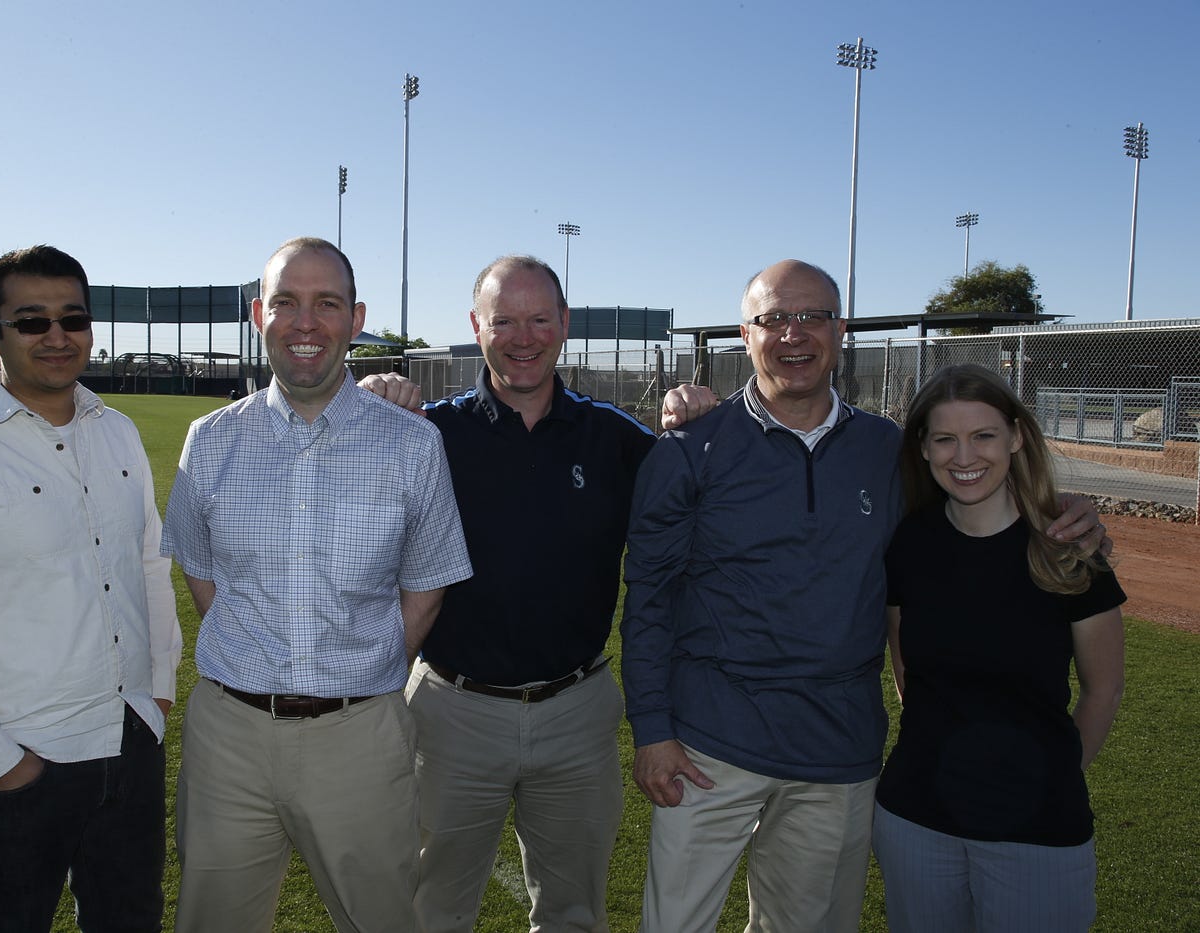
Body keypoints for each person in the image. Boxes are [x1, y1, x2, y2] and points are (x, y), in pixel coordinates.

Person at [623, 259, 1104, 933]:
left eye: (812, 316)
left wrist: (1068, 510)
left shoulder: (888, 451)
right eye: (774, 319)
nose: (794, 334)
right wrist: (653, 729)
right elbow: (648, 596)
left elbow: (978, 495)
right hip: (708, 749)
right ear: (745, 334)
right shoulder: (689, 449)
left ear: (840, 329)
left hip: (837, 754)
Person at [161, 236, 472, 933]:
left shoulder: (413, 442)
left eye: (326, 303)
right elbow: (201, 573)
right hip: (229, 738)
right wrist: (257, 658)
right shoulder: (209, 439)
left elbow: (425, 588)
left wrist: (356, 672)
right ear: (258, 314)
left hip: (359, 734)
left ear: (355, 318)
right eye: (287, 302)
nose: (307, 322)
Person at [0, 245, 183, 933]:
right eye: (31, 321)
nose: (57, 335)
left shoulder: (118, 432)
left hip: (128, 741)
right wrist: (0, 763)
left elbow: (146, 563)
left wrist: (158, 686)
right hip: (21, 760)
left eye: (72, 318)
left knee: (130, 921)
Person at [363, 254, 655, 932]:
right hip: (452, 712)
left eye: (539, 319)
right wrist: (367, 396)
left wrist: (696, 415)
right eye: (504, 321)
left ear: (564, 325)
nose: (523, 337)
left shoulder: (613, 437)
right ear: (476, 326)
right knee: (431, 909)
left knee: (574, 912)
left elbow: (707, 482)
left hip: (577, 712)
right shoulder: (427, 432)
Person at [872, 364, 1125, 932]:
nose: (965, 455)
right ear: (924, 447)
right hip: (916, 817)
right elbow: (906, 673)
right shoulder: (909, 543)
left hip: (1037, 827)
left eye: (983, 435)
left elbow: (1104, 690)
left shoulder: (1068, 547)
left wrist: (1050, 775)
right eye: (945, 438)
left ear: (1015, 436)